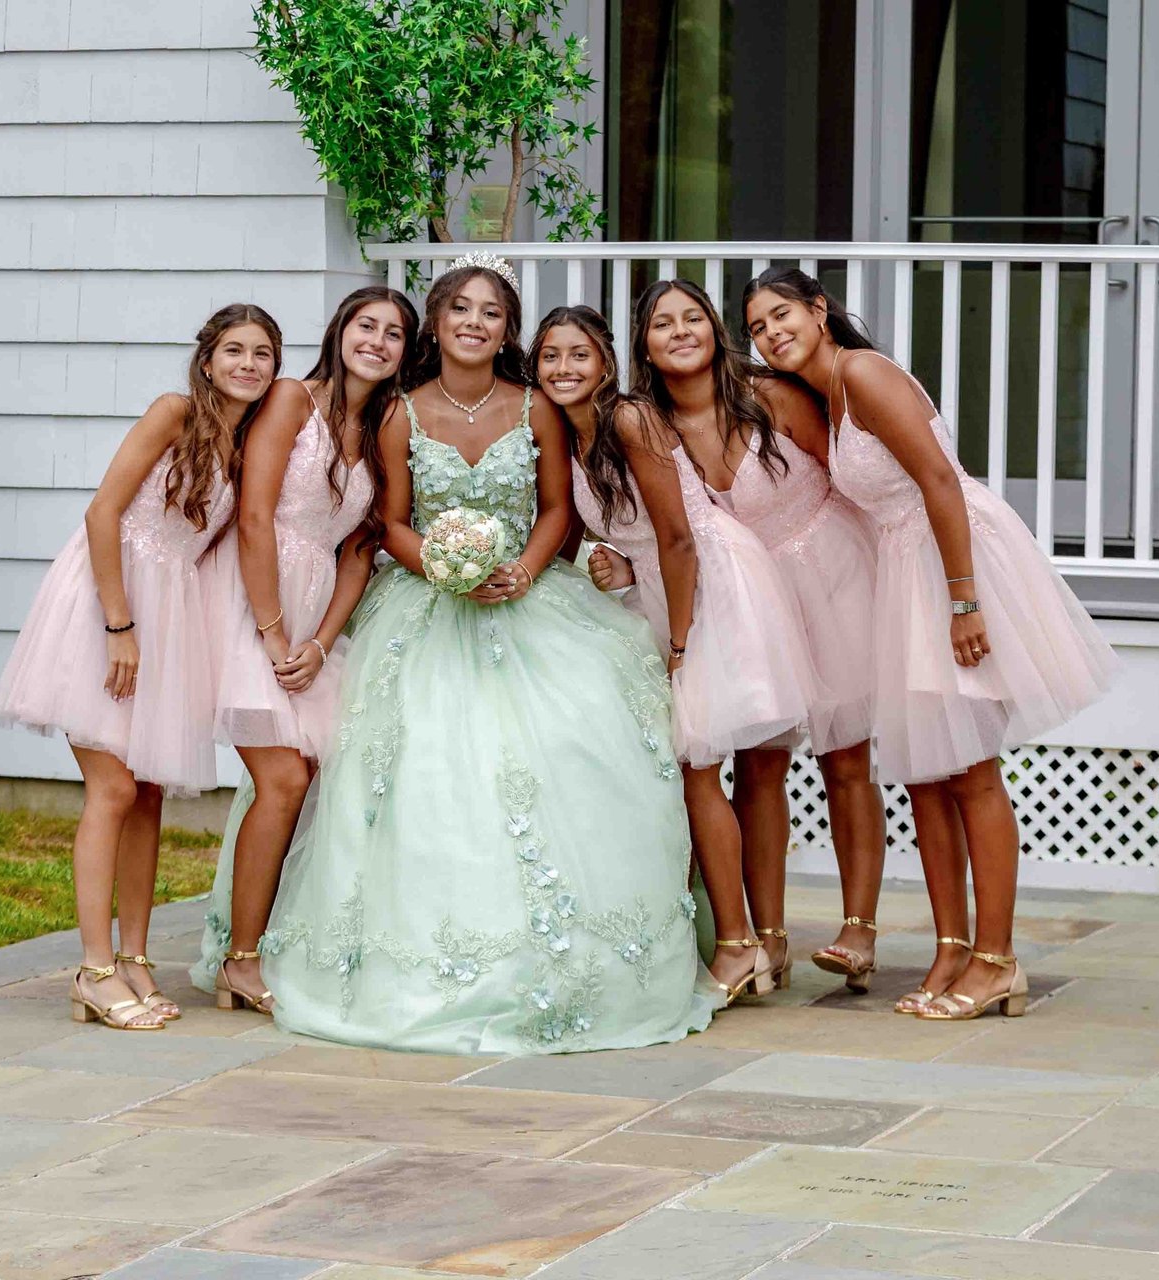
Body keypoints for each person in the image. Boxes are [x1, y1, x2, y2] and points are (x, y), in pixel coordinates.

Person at [251, 255, 717, 1053]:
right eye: (460, 308)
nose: (475, 322)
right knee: (423, 771)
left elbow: (557, 509)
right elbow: (391, 520)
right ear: (436, 323)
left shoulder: (534, 406)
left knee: (576, 748)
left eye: (493, 312)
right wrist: (440, 563)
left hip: (531, 600)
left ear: (508, 331)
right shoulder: (401, 412)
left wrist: (524, 570)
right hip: (428, 606)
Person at [746, 268, 1118, 1020]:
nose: (771, 332)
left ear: (820, 311)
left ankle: (998, 960)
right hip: (903, 571)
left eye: (781, 314)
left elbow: (942, 483)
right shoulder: (828, 395)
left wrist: (964, 601)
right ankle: (951, 949)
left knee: (972, 771)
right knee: (925, 773)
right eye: (756, 326)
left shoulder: (864, 372)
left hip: (953, 563)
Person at [0, 303, 280, 1030]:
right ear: (207, 359)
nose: (248, 364)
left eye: (264, 354)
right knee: (113, 787)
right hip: (106, 602)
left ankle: (137, 961)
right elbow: (102, 514)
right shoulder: (172, 413)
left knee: (148, 790)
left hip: (171, 613)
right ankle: (93, 968)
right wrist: (119, 624)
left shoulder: (249, 446)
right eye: (235, 350)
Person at [536, 303, 811, 1003]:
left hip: (709, 589)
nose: (564, 369)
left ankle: (740, 945)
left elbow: (680, 535)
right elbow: (594, 534)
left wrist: (683, 642)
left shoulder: (630, 418)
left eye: (579, 355)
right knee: (683, 770)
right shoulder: (566, 439)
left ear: (606, 362)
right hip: (655, 592)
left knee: (698, 770)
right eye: (550, 357)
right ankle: (731, 937)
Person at [623, 279, 886, 992]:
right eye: (661, 324)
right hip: (745, 597)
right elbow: (661, 527)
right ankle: (767, 940)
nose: (679, 332)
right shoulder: (648, 424)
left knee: (845, 756)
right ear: (643, 344)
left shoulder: (773, 396)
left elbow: (856, 476)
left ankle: (858, 929)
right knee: (758, 764)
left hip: (829, 576)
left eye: (692, 319)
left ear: (713, 330)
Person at [191, 287, 418, 1014]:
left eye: (394, 334)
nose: (377, 342)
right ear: (340, 330)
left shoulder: (384, 427)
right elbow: (255, 517)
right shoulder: (294, 398)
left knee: (321, 774)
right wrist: (272, 633)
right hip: (250, 602)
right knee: (283, 778)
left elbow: (361, 550)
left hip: (315, 614)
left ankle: (279, 942)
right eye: (366, 326)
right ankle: (243, 959)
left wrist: (320, 643)